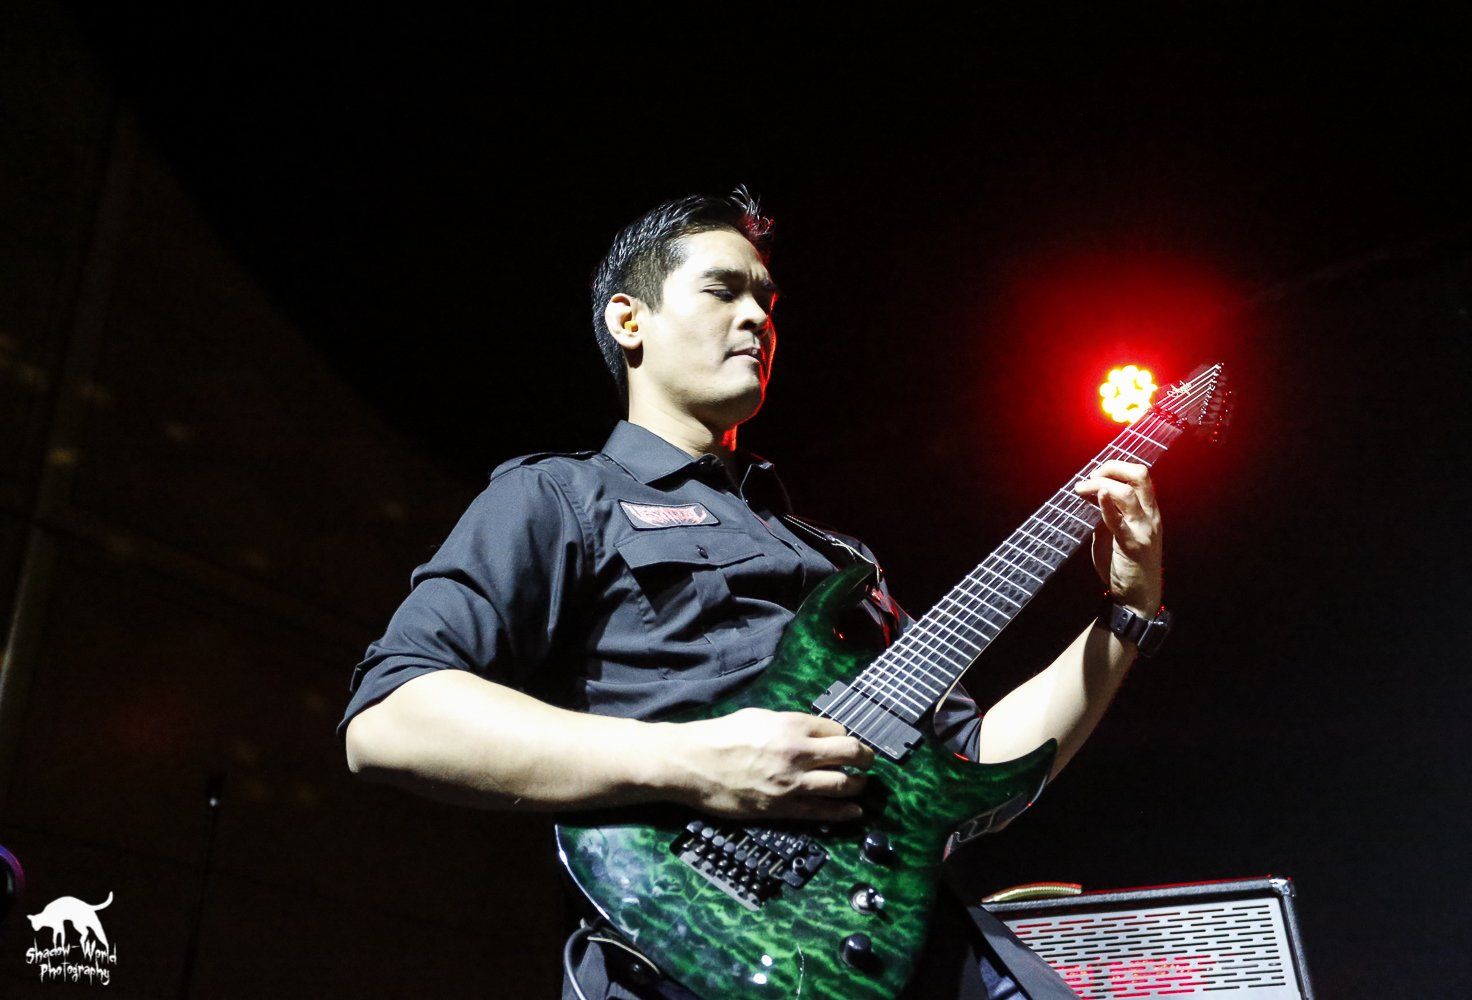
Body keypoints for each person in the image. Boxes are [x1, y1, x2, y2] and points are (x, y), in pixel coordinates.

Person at [339, 189, 1165, 999]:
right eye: (722, 290)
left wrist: (1125, 615)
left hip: (911, 950)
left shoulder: (838, 557)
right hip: (697, 952)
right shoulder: (562, 495)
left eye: (766, 302)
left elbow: (976, 764)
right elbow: (392, 719)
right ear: (629, 320)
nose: (757, 319)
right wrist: (696, 761)